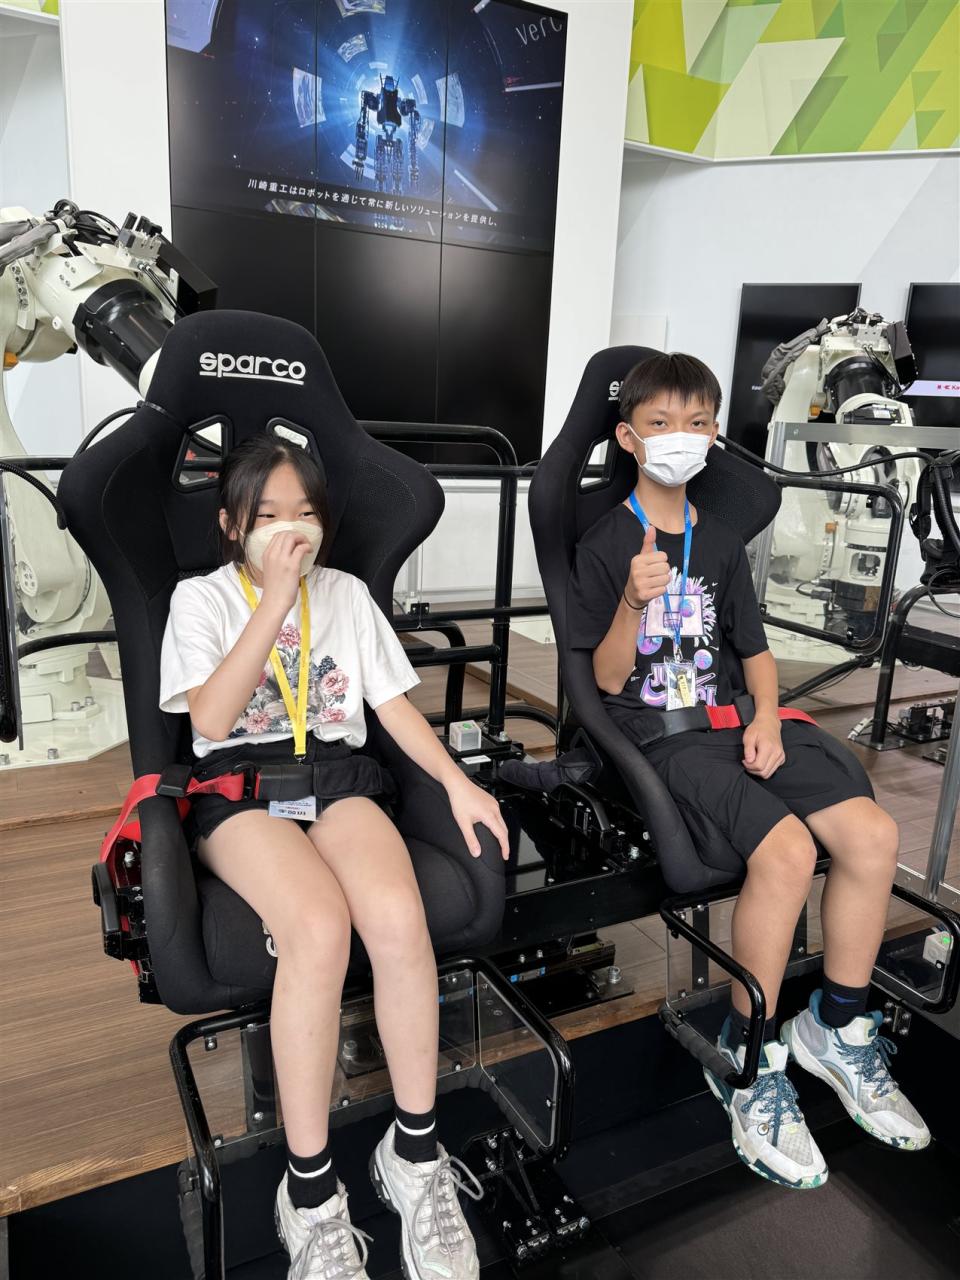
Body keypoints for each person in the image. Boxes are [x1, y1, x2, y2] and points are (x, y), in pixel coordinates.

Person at [567, 352, 929, 1191]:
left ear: (715, 433)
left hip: (735, 725)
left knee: (874, 835)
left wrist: (766, 716)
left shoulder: (723, 543)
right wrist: (632, 601)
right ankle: (749, 1054)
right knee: (789, 851)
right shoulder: (606, 542)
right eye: (660, 424)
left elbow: (756, 654)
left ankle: (836, 1028)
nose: (680, 437)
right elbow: (607, 681)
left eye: (697, 423)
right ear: (628, 438)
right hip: (658, 739)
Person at [159, 434, 509, 1279]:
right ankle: (311, 1193)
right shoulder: (200, 599)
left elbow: (391, 708)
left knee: (396, 915)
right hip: (242, 788)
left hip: (339, 777)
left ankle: (413, 1155)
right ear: (230, 525)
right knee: (318, 929)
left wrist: (458, 784)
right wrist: (274, 602)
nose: (292, 531)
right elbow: (210, 720)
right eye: (269, 516)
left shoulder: (345, 594)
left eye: (306, 513)